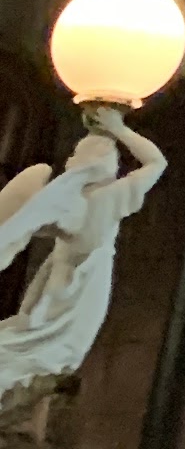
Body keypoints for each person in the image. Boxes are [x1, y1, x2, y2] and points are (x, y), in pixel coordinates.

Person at [0, 118, 168, 414]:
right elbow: (156, 162)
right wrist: (119, 129)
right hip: (84, 280)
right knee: (56, 345)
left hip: (64, 280)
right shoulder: (109, 197)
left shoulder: (70, 201)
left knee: (43, 342)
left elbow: (33, 225)